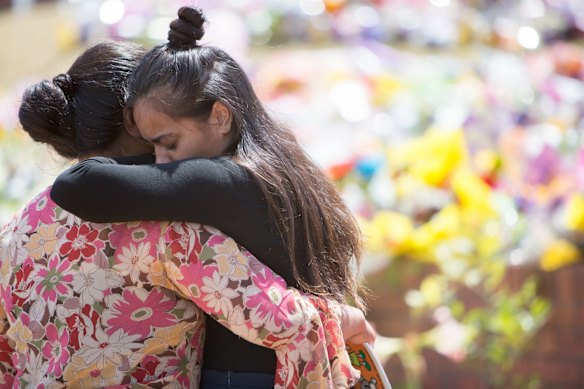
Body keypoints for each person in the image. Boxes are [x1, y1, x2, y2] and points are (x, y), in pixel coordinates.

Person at [0, 41, 372, 388]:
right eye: (158, 142)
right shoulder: (169, 234)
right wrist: (340, 318)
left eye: (168, 141)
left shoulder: (15, 232)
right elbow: (285, 321)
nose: (164, 161)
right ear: (134, 124)